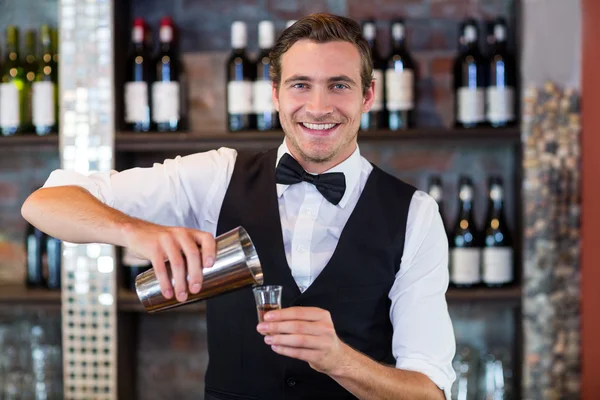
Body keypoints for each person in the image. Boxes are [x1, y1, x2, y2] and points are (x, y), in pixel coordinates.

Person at [22, 13, 456, 400]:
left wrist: (340, 360)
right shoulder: (217, 175)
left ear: (367, 96)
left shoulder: (415, 214)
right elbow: (45, 203)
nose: (319, 107)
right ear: (275, 95)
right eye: (300, 85)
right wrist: (138, 232)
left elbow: (428, 392)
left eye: (339, 86)